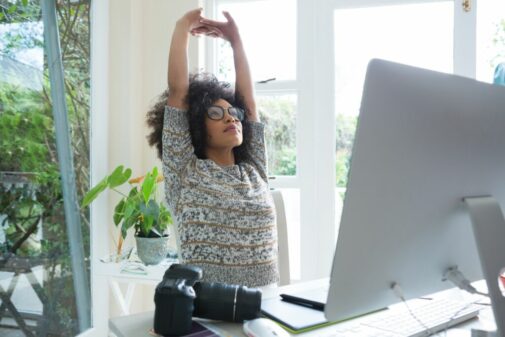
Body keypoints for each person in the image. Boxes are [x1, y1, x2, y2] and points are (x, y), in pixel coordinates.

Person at [146, 8, 279, 288]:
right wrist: (182, 27)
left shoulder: (254, 170)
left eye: (233, 113)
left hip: (265, 306)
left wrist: (236, 40)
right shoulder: (185, 172)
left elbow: (249, 105)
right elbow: (178, 93)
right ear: (196, 126)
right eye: (216, 114)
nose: (232, 117)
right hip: (208, 313)